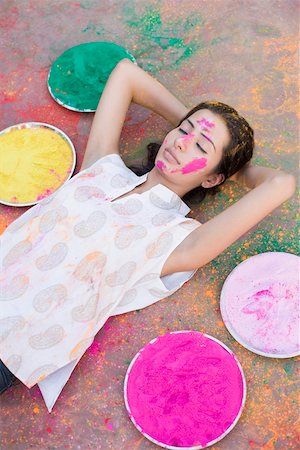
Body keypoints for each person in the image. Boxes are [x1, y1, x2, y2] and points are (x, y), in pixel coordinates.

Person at [0, 59, 295, 409]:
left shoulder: (177, 240)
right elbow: (126, 74)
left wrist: (235, 169)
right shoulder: (103, 167)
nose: (183, 143)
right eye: (183, 131)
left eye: (201, 148)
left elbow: (282, 183)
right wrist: (199, 132)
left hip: (11, 348)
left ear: (213, 178)